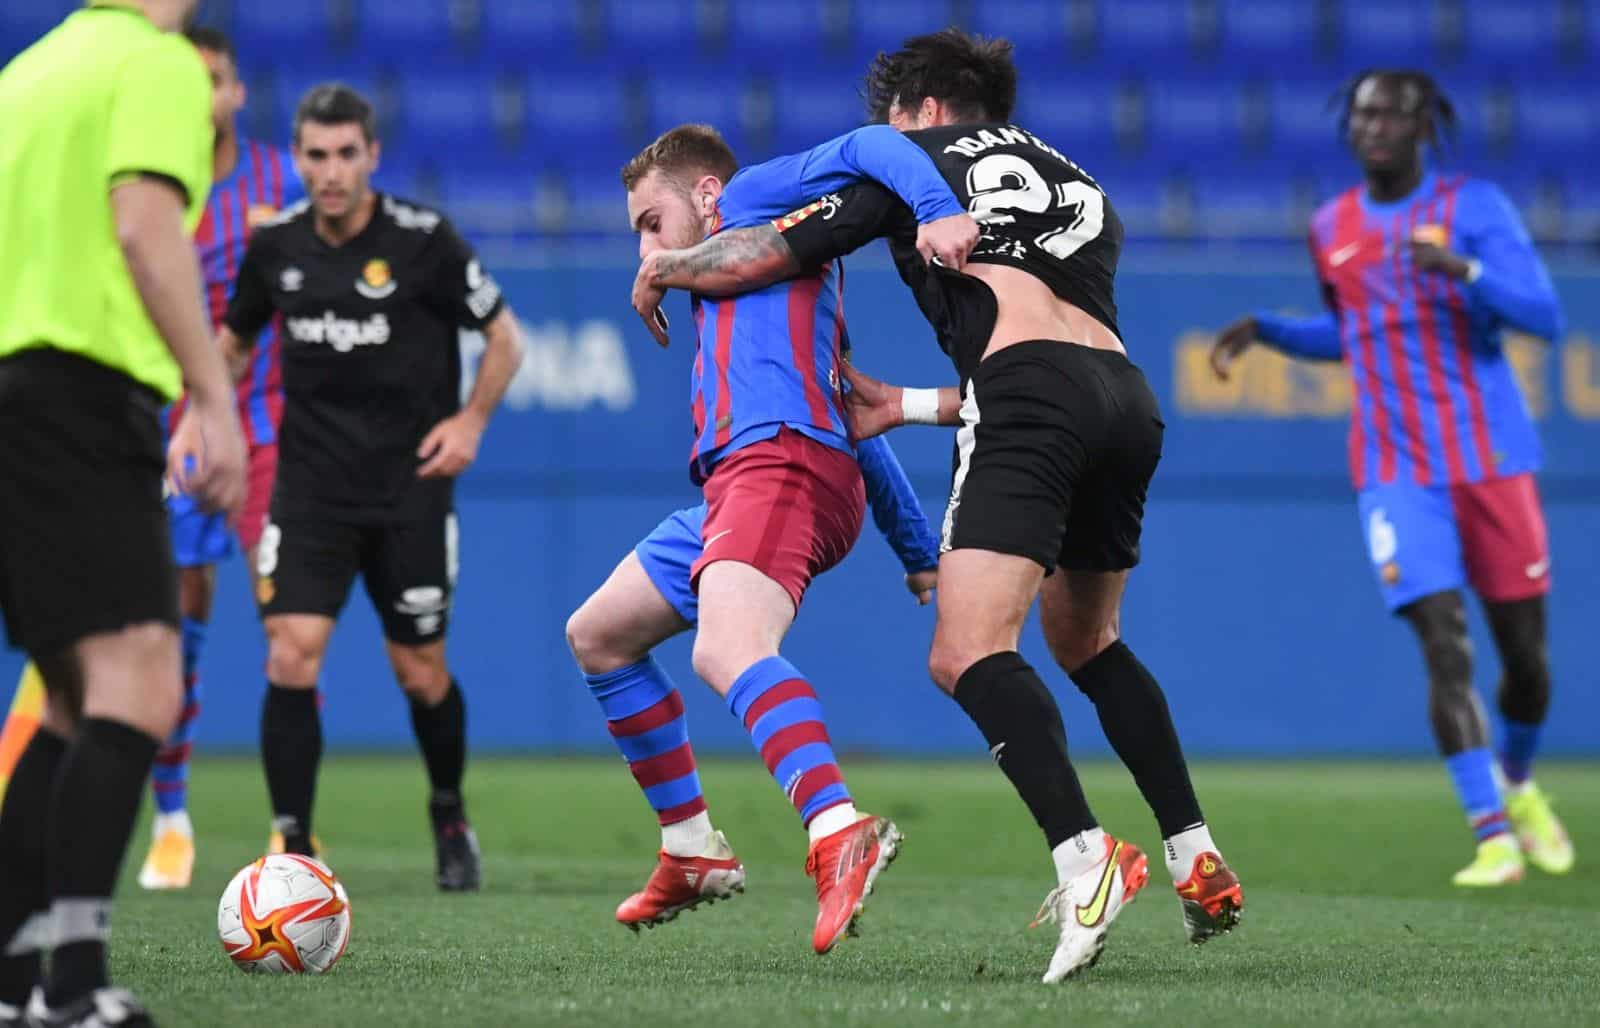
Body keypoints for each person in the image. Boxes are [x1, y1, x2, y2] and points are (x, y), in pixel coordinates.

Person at [630, 29, 1243, 983]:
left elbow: (766, 252)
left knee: (965, 654)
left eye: (892, 119)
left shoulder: (915, 160)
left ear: (917, 111)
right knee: (1090, 642)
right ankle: (1192, 848)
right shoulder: (1077, 184)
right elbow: (1057, 360)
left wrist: (668, 265)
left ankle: (1087, 858)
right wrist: (910, 405)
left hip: (1027, 397)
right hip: (1124, 400)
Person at [584, 122, 976, 955]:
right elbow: (857, 419)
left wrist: (937, 205)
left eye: (651, 222)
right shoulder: (767, 289)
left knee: (727, 648)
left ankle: (838, 829)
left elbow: (874, 143)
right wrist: (916, 552)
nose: (646, 248)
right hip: (745, 483)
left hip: (781, 467)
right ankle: (692, 848)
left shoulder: (755, 196)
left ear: (705, 195)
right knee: (601, 634)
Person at [1209, 70, 1571, 887]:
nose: (1377, 125)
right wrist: (1268, 330)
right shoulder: (1330, 226)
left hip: (1492, 462)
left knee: (1528, 661)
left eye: (1394, 114)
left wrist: (1465, 272)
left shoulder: (1473, 209)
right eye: (1365, 112)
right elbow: (1357, 335)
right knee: (1444, 642)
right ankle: (1494, 840)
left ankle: (1517, 788)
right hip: (1396, 470)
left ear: (1423, 127)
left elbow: (1544, 317)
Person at [192, 83, 524, 892]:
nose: (331, 171)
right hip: (307, 490)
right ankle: (294, 845)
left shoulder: (423, 241)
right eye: (316, 155)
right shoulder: (274, 249)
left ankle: (449, 812)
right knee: (290, 655)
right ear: (298, 158)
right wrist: (198, 416)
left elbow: (504, 340)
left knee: (420, 669)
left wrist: (472, 423)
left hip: (410, 491)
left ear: (372, 155)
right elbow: (231, 347)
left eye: (346, 154)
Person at [0, 1, 247, 1023]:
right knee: (143, 677)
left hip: (14, 390)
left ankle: (18, 987)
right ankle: (76, 984)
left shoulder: (27, 74)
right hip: (85, 394)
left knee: (67, 697)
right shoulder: (155, 66)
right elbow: (146, 229)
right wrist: (214, 396)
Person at [139, 24, 305, 891]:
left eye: (217, 80)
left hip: (270, 431)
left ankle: (291, 832)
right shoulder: (147, 184)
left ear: (237, 91)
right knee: (179, 633)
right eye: (189, 79)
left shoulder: (282, 181)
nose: (205, 95)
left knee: (290, 631)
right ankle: (171, 820)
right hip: (178, 435)